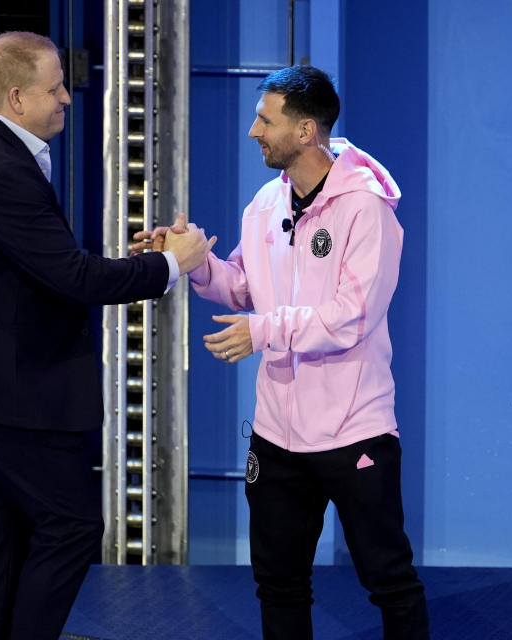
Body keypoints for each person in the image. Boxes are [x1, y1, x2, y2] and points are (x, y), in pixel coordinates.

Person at [0, 31, 213, 640]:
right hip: (15, 392)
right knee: (71, 524)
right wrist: (172, 264)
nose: (67, 100)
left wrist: (142, 262)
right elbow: (71, 276)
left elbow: (36, 265)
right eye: (56, 90)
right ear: (18, 96)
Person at [137, 65, 430, 639]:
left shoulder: (366, 210)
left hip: (355, 431)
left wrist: (264, 331)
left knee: (387, 578)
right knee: (278, 582)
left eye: (265, 120)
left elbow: (352, 316)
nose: (253, 131)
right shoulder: (266, 204)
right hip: (276, 437)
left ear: (305, 132)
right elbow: (246, 286)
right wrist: (196, 262)